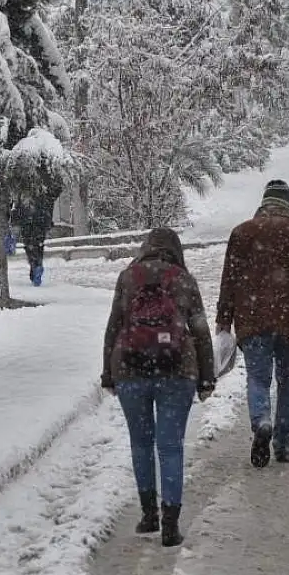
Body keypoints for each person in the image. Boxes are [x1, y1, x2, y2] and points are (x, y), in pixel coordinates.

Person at [101, 228, 216, 548]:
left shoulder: (128, 277)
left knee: (141, 444)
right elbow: (201, 331)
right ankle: (170, 522)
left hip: (130, 370)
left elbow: (113, 327)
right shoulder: (183, 279)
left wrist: (108, 374)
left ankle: (148, 513)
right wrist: (207, 376)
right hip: (177, 371)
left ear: (145, 248)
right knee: (170, 446)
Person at [217, 182, 289, 469]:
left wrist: (224, 320)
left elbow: (230, 280)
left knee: (258, 377)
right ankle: (283, 444)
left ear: (264, 202)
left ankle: (262, 420)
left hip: (253, 318)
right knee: (288, 381)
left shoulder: (242, 233)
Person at [11, 178, 63, 287]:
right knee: (38, 245)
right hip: (41, 219)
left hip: (27, 219)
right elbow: (56, 191)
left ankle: (35, 266)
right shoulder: (46, 182)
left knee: (29, 245)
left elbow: (16, 200)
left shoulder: (23, 180)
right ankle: (37, 266)